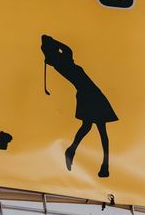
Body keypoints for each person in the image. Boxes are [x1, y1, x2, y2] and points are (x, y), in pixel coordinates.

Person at [41, 34, 116, 177]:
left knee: (87, 126)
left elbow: (65, 50)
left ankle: (73, 150)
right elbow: (67, 49)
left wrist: (49, 43)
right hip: (91, 94)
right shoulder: (63, 62)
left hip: (87, 93)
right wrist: (53, 41)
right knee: (101, 130)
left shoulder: (59, 63)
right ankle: (104, 165)